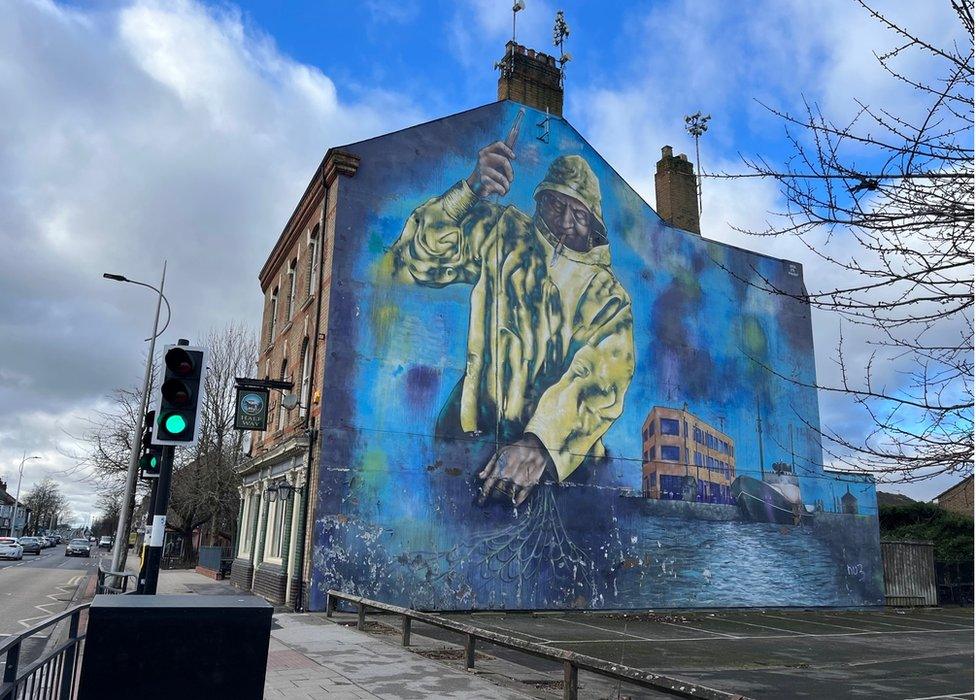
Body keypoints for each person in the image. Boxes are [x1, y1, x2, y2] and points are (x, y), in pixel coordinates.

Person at [389, 135, 635, 507]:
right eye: (556, 203)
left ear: (594, 224)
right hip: (472, 438)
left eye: (580, 213)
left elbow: (603, 374)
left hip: (559, 468)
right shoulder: (503, 233)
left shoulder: (607, 294)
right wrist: (470, 189)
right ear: (540, 201)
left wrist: (541, 439)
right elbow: (416, 257)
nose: (566, 222)